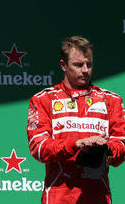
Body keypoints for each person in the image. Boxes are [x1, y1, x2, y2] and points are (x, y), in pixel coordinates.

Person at [27, 36, 125, 204]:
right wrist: (77, 144)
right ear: (63, 65)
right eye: (78, 65)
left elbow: (121, 146)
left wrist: (104, 152)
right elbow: (39, 148)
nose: (85, 70)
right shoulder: (43, 99)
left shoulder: (111, 100)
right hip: (58, 198)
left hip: (98, 197)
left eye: (89, 64)